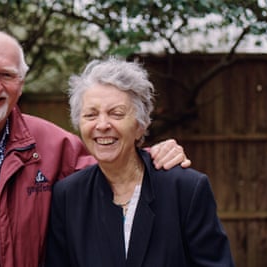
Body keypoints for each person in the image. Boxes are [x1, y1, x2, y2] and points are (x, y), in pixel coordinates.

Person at [0, 30, 191, 266]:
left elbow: (113, 172)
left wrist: (152, 156)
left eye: (8, 75)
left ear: (21, 83)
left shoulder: (54, 146)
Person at [45, 58, 235, 267]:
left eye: (116, 114)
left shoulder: (185, 189)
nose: (102, 125)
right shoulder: (67, 197)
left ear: (140, 126)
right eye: (90, 115)